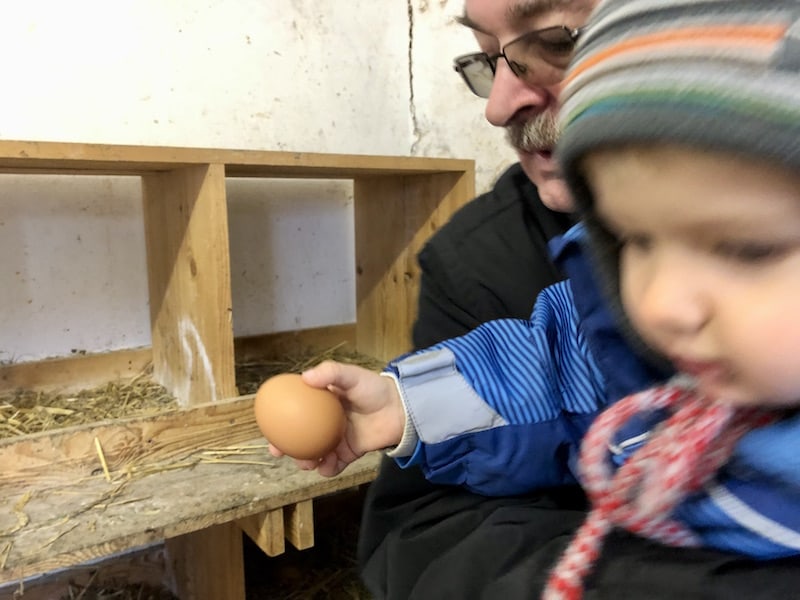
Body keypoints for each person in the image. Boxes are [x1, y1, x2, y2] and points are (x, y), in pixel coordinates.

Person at [272, 0, 800, 597]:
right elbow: (555, 364)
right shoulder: (498, 268)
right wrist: (409, 404)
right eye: (634, 240)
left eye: (554, 42)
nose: (660, 306)